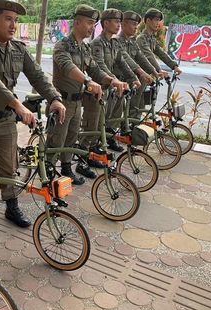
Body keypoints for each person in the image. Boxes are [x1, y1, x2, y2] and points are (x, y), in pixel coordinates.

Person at [0, 0, 66, 228]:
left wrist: (55, 98)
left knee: (9, 167)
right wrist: (18, 106)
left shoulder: (18, 50)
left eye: (16, 20)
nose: (14, 25)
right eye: (8, 19)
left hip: (6, 120)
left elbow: (38, 76)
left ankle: (12, 206)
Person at [47, 4, 122, 185]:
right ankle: (48, 173)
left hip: (77, 101)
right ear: (77, 22)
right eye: (89, 23)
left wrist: (112, 80)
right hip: (61, 101)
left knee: (71, 138)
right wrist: (87, 82)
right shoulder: (62, 45)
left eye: (94, 24)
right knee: (56, 140)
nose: (91, 28)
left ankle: (66, 169)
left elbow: (95, 70)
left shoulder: (85, 48)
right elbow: (68, 67)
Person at [78, 8, 135, 164]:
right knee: (93, 124)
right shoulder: (96, 43)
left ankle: (96, 147)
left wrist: (134, 77)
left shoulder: (114, 43)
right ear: (106, 23)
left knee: (105, 121)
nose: (118, 25)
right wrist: (114, 80)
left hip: (112, 88)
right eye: (116, 22)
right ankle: (85, 155)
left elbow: (122, 62)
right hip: (99, 89)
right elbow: (100, 66)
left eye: (119, 22)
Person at [115, 11, 157, 119]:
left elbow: (142, 58)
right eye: (133, 24)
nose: (136, 28)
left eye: (137, 25)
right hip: (117, 83)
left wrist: (154, 71)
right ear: (123, 24)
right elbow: (126, 59)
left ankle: (130, 129)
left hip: (130, 81)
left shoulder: (132, 42)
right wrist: (142, 73)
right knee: (112, 117)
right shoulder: (116, 41)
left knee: (129, 112)